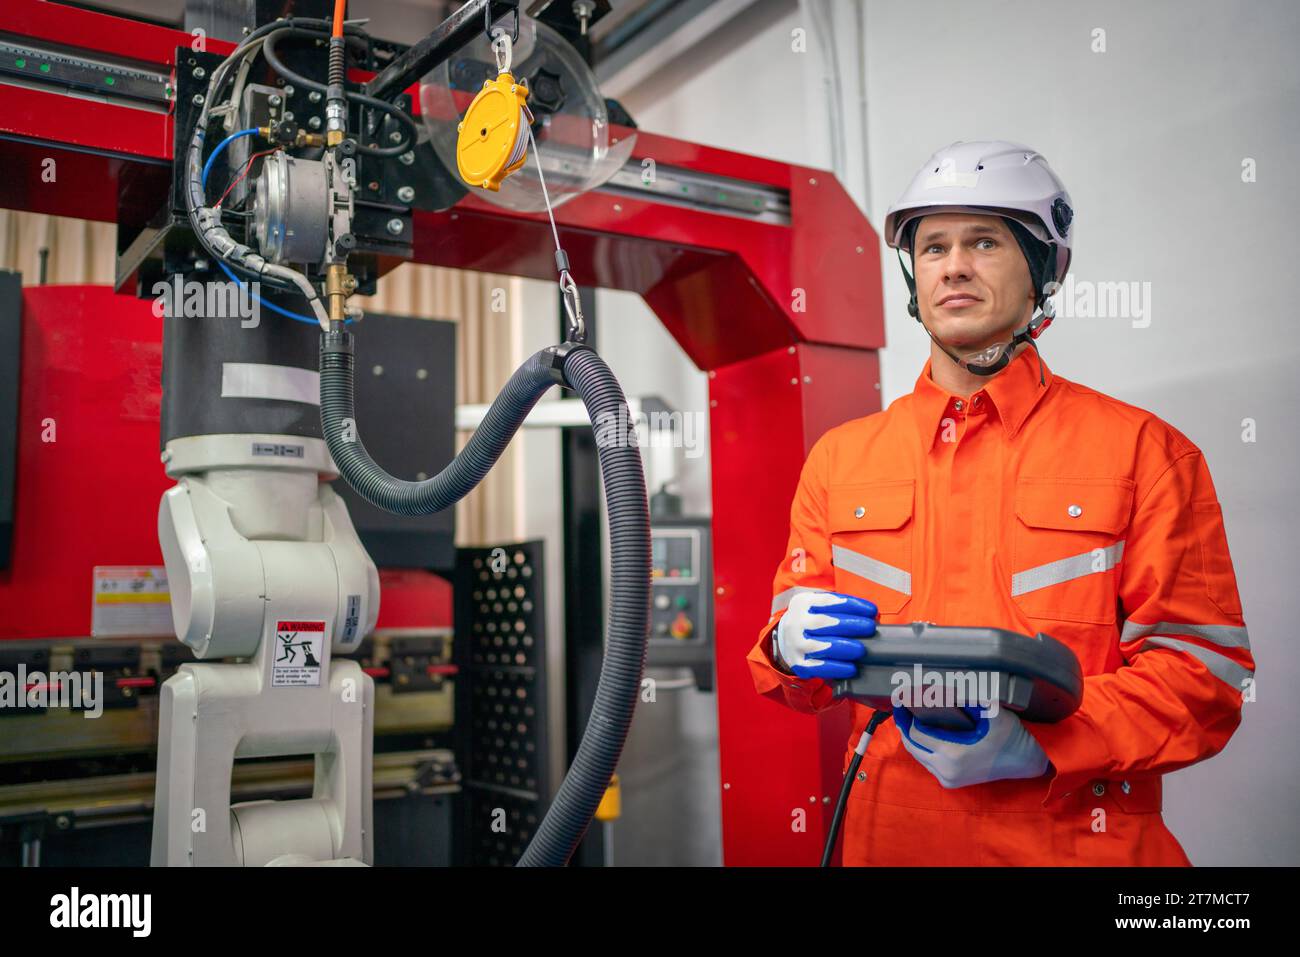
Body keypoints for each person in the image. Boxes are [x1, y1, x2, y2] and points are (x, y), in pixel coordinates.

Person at [747, 140, 1254, 865]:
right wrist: (787, 646)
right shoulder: (841, 460)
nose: (953, 265)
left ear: (1043, 271)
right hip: (889, 842)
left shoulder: (1146, 453)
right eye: (932, 247)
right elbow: (780, 660)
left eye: (983, 241)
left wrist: (1046, 745)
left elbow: (1205, 676)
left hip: (1079, 844)